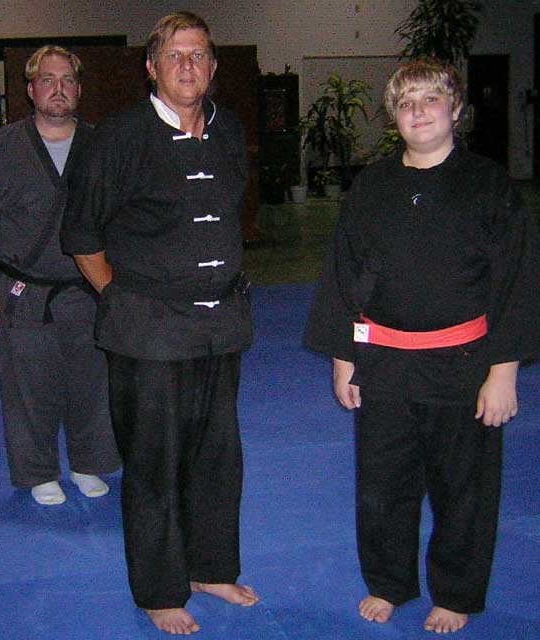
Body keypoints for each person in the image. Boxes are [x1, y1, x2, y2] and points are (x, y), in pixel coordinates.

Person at [305, 59, 540, 634]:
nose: (419, 112)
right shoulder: (373, 186)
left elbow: (516, 278)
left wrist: (503, 372)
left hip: (463, 363)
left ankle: (456, 592)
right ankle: (389, 582)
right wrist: (343, 357)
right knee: (383, 484)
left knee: (463, 487)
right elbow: (344, 273)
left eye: (431, 99)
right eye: (406, 103)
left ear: (456, 108)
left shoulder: (488, 184)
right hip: (384, 361)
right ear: (394, 116)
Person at [60, 12, 259, 635]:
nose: (187, 66)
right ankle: (159, 589)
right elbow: (82, 235)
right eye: (174, 55)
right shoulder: (119, 138)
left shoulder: (228, 129)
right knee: (154, 464)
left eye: (198, 54)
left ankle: (211, 567)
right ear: (151, 67)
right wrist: (123, 299)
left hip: (221, 325)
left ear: (214, 66)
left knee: (218, 457)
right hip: (147, 332)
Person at [0, 45, 120, 506]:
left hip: (89, 289)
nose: (58, 89)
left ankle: (89, 463)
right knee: (28, 386)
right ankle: (39, 471)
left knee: (95, 382)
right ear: (30, 89)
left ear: (79, 89)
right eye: (47, 80)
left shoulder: (103, 146)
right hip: (24, 289)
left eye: (67, 80)